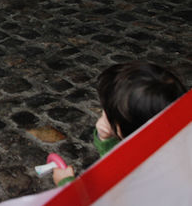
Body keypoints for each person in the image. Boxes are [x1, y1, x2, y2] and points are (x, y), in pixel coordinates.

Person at [52, 61, 187, 186]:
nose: (102, 116)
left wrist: (66, 182)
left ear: (129, 130)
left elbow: (105, 205)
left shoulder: (136, 172)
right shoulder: (176, 142)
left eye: (107, 114)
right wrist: (107, 137)